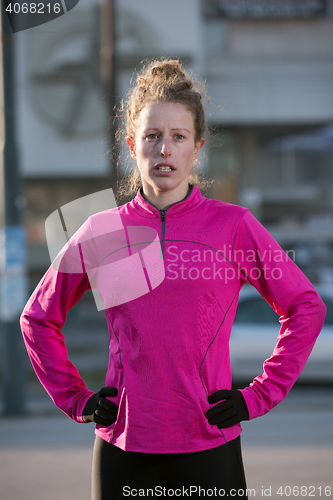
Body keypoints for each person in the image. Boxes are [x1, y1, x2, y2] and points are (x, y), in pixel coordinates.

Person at [20, 59, 326, 500]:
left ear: (197, 147)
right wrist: (78, 399)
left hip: (209, 446)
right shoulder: (101, 232)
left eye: (178, 137)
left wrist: (258, 395)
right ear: (132, 145)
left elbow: (305, 307)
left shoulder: (234, 226)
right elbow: (37, 318)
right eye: (152, 137)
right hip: (123, 448)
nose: (164, 149)